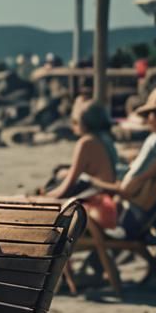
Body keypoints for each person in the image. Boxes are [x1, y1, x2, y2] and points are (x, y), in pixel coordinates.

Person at [87, 83, 156, 237]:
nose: (149, 119)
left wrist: (95, 183)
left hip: (131, 218)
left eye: (153, 114)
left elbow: (130, 187)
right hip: (134, 212)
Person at [38, 97, 121, 228]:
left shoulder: (86, 142)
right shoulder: (106, 138)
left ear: (85, 123)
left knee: (55, 183)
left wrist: (42, 197)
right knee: (61, 172)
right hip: (108, 195)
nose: (73, 125)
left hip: (96, 199)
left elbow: (67, 185)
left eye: (76, 121)